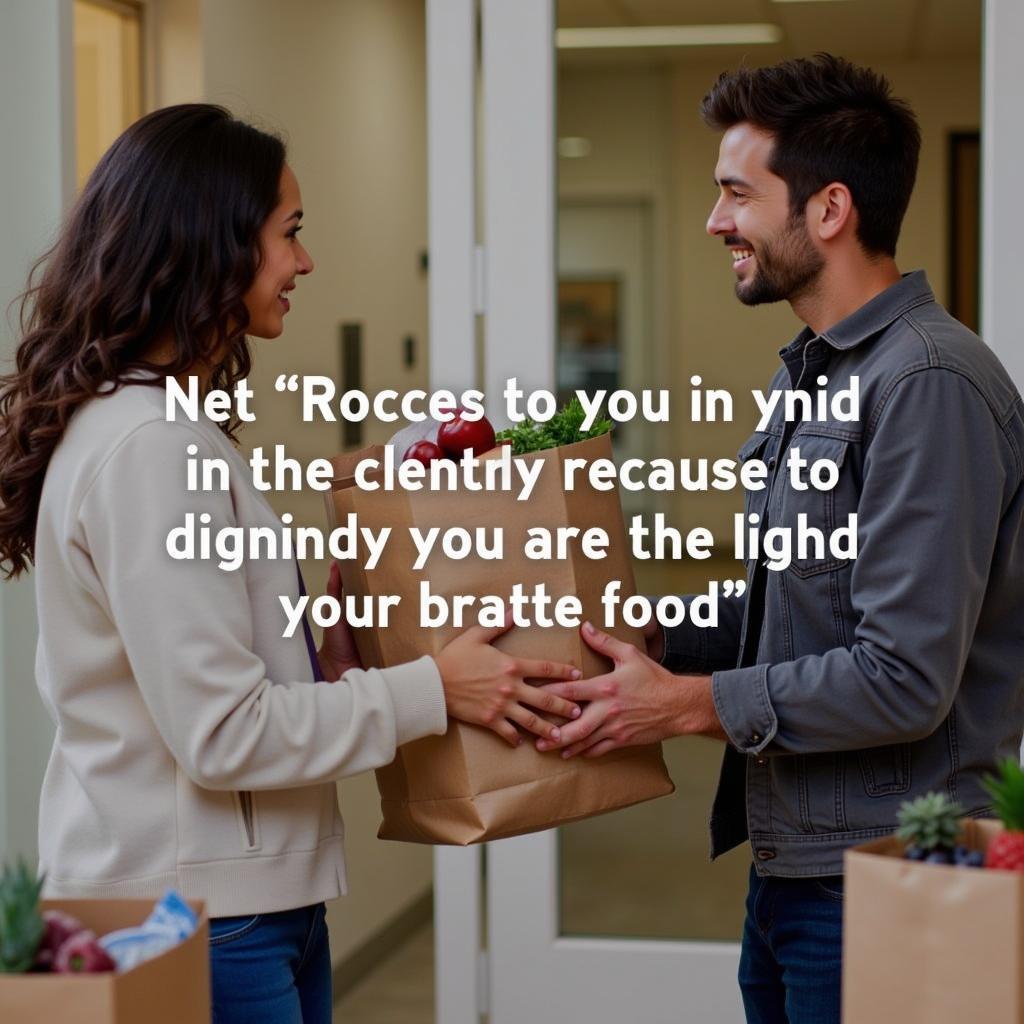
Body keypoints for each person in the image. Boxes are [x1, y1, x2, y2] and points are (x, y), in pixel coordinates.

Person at [0, 104, 581, 1024]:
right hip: (199, 916)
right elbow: (222, 734)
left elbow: (200, 684)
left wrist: (326, 656)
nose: (305, 263)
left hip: (229, 905)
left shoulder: (157, 427)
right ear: (210, 242)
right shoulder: (152, 448)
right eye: (290, 234)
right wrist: (436, 689)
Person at [537, 54, 1024, 1022]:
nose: (716, 221)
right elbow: (794, 598)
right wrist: (655, 636)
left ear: (829, 208)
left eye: (734, 193)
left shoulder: (927, 385)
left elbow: (903, 673)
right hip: (795, 869)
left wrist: (683, 703)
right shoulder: (812, 374)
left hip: (883, 874)